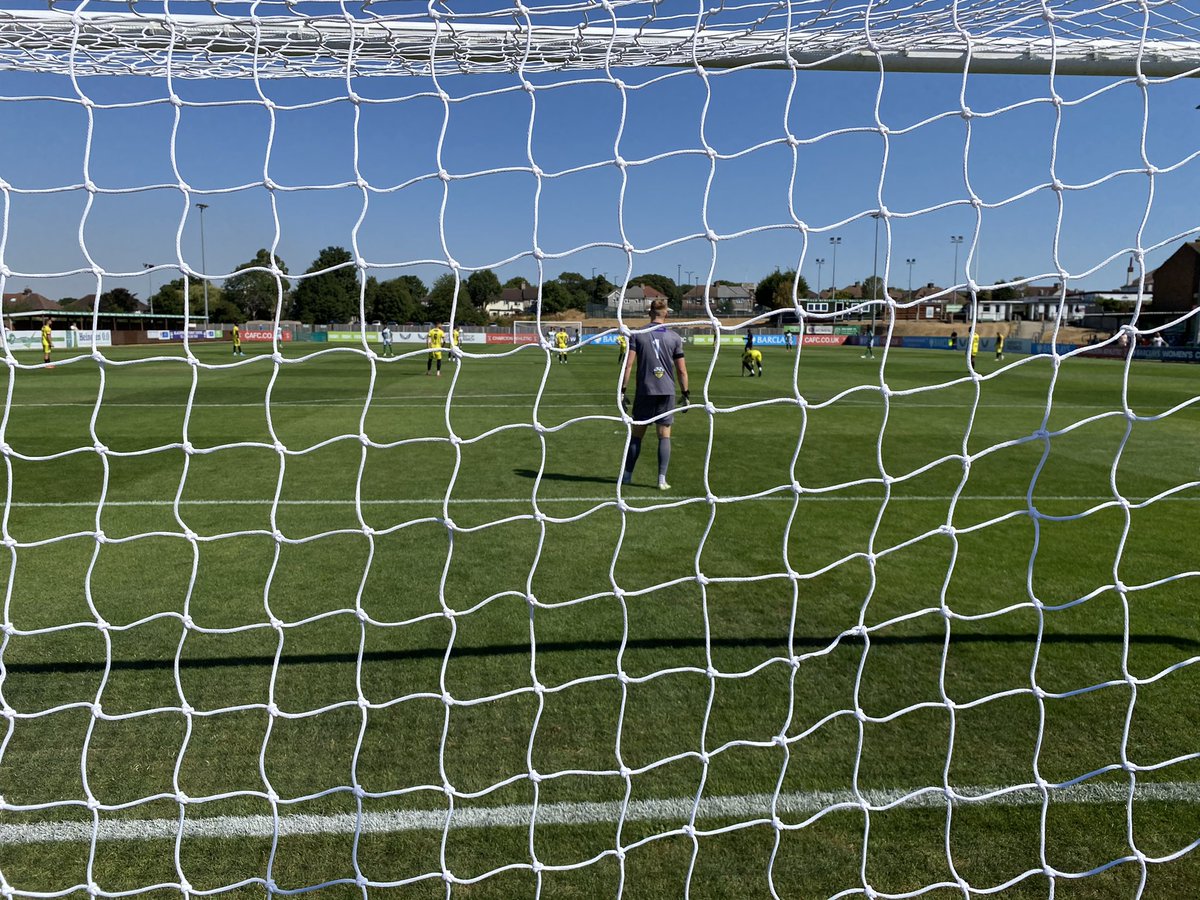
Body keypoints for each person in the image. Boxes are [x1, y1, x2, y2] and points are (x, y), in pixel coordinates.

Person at [621, 299, 689, 491]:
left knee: (637, 435)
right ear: (666, 313)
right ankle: (661, 480)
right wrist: (685, 393)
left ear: (650, 313)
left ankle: (627, 476)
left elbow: (628, 365)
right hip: (666, 391)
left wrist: (623, 391)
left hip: (645, 390)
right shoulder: (674, 337)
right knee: (664, 435)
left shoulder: (637, 334)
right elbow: (682, 370)